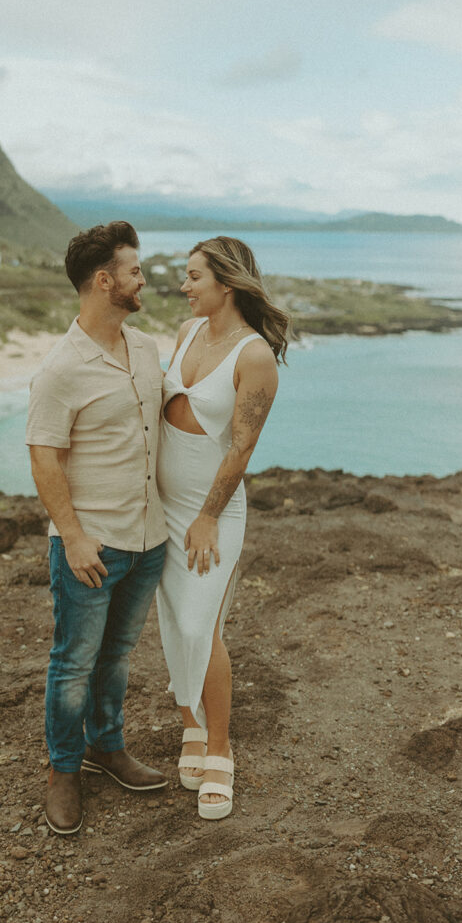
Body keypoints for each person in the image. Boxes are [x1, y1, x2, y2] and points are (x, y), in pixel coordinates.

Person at [26, 221, 169, 835]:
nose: (144, 280)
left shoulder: (145, 349)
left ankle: (105, 747)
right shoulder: (60, 368)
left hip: (149, 539)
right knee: (74, 661)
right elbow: (43, 456)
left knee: (117, 656)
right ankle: (63, 770)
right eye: (135, 271)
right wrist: (75, 535)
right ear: (105, 281)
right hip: (91, 547)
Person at [156, 236, 290, 820]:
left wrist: (208, 515)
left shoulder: (253, 355)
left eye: (193, 277)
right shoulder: (186, 334)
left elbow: (241, 448)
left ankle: (220, 748)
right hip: (160, 505)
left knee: (199, 622)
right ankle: (190, 721)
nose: (184, 286)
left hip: (210, 510)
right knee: (169, 620)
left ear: (226, 284)